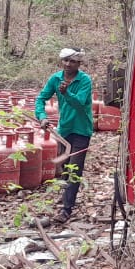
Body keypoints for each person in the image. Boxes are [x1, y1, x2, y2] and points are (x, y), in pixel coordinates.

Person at [35, 48, 94, 223]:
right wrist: (42, 117)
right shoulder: (55, 78)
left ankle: (66, 210)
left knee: (74, 169)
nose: (68, 64)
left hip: (81, 130)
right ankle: (66, 198)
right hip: (63, 131)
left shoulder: (85, 80)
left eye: (73, 61)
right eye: (66, 60)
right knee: (64, 169)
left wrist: (66, 93)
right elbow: (40, 99)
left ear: (79, 63)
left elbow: (79, 103)